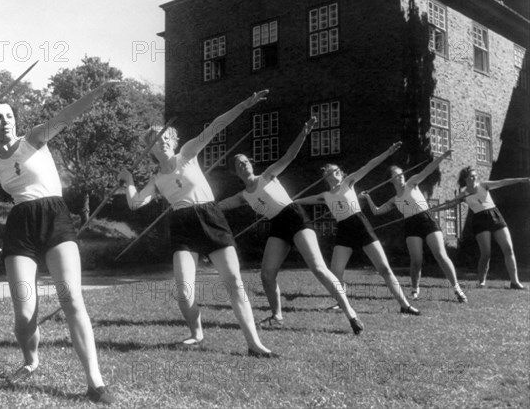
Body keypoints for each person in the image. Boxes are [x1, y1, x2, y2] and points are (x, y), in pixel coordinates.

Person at [0, 81, 117, 405]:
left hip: (55, 217)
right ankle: (31, 361)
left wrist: (95, 92)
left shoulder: (34, 138)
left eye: (7, 115)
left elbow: (65, 116)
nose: (3, 121)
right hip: (21, 227)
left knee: (71, 299)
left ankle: (95, 383)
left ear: (15, 119)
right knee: (24, 314)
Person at [117, 91, 275, 357]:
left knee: (234, 281)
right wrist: (129, 180)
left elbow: (216, 126)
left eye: (168, 137)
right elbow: (135, 203)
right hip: (182, 226)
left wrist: (244, 104)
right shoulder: (157, 180)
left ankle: (253, 343)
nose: (164, 142)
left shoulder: (187, 154)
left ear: (174, 141)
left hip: (210, 217)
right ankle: (196, 333)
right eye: (158, 140)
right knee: (183, 288)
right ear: (151, 149)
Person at [218, 117, 364, 335]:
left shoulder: (267, 175)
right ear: (235, 172)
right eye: (238, 164)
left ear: (251, 163)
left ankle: (351, 313)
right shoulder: (242, 196)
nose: (243, 164)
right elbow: (218, 206)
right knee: (267, 274)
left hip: (294, 216)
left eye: (245, 161)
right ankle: (277, 317)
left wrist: (304, 133)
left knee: (317, 267)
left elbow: (289, 156)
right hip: (277, 225)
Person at [294, 142, 421, 315]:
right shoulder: (324, 196)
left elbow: (369, 165)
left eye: (336, 170)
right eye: (330, 171)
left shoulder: (348, 182)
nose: (335, 173)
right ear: (326, 177)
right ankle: (341, 301)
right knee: (335, 272)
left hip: (360, 225)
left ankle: (404, 305)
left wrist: (387, 152)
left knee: (384, 268)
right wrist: (289, 202)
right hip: (344, 230)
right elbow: (303, 200)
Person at [361, 150, 468, 303]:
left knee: (441, 256)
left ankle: (457, 289)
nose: (401, 176)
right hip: (411, 224)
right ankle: (414, 290)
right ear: (391, 180)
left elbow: (427, 170)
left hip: (426, 219)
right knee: (416, 260)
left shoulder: (412, 183)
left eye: (401, 174)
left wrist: (442, 157)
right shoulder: (394, 199)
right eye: (397, 175)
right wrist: (368, 198)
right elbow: (377, 211)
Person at [447, 167, 529, 289]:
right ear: (465, 179)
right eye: (471, 176)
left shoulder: (483, 185)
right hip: (480, 220)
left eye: (475, 175)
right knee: (486, 254)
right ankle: (481, 282)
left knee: (508, 249)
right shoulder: (463, 194)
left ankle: (515, 282)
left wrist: (521, 179)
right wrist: (432, 210)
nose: (474, 177)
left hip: (494, 215)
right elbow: (449, 204)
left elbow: (502, 182)